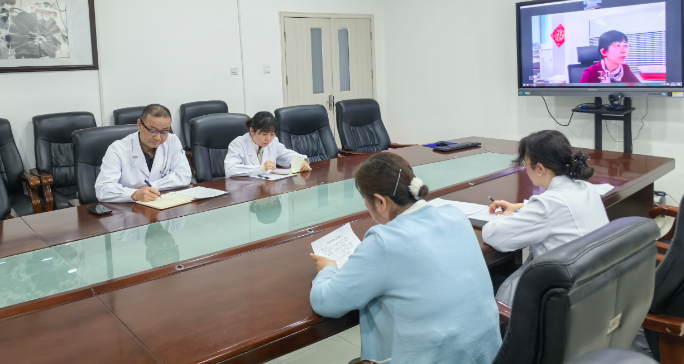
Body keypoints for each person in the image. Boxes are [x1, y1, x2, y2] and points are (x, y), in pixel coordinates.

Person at [309, 153, 501, 364]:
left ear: (380, 201)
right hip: (488, 355)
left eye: (366, 200)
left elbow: (326, 302)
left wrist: (328, 269)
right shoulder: (455, 215)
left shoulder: (384, 241)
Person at [482, 130, 609, 305]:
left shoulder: (547, 206)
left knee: (482, 281)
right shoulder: (585, 188)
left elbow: (493, 235)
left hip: (552, 297)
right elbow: (560, 210)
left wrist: (504, 217)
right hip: (589, 289)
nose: (525, 168)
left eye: (525, 163)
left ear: (540, 168)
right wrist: (520, 207)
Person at [95, 104, 192, 203]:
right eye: (153, 131)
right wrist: (133, 194)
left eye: (164, 131)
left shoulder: (172, 141)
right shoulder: (118, 149)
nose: (158, 138)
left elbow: (184, 176)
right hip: (128, 208)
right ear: (139, 124)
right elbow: (103, 189)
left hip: (161, 203)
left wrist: (153, 186)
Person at [224, 111, 311, 177]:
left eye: (272, 134)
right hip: (245, 189)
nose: (268, 139)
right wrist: (260, 169)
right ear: (252, 131)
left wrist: (302, 161)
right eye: (264, 134)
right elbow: (230, 170)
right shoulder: (238, 144)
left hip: (267, 187)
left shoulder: (273, 142)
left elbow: (287, 155)